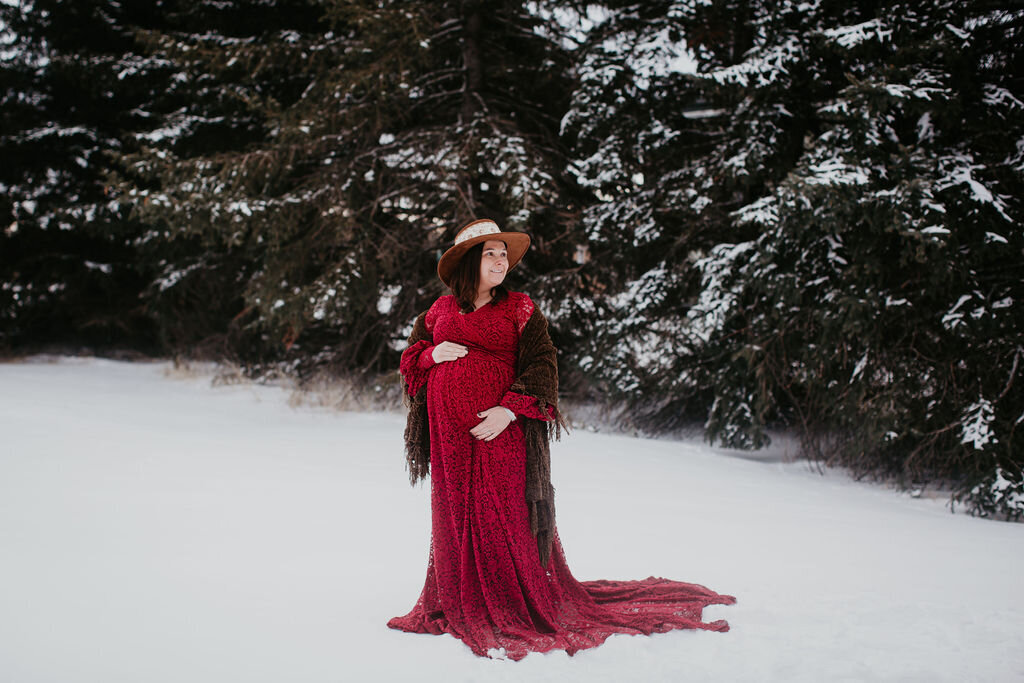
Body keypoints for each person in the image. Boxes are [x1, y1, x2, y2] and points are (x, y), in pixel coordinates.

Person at [388, 218, 736, 660]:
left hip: (501, 429)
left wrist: (509, 409)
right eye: (490, 253)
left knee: (504, 515)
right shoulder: (436, 313)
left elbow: (543, 365)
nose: (500, 260)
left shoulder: (520, 309)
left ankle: (512, 604)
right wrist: (433, 352)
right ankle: (459, 600)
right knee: (454, 513)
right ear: (468, 261)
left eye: (503, 254)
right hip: (450, 436)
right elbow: (411, 359)